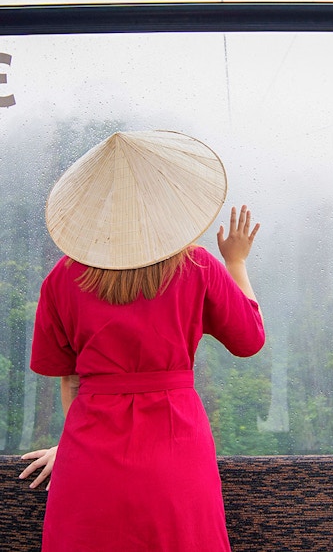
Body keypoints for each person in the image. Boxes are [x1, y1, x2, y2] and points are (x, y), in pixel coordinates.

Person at [19, 130, 265, 552]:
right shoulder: (198, 265)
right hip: (177, 455)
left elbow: (72, 382)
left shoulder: (63, 277)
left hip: (89, 461)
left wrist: (75, 441)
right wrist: (236, 261)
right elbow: (249, 340)